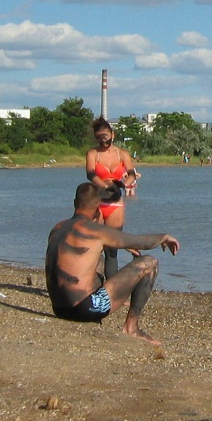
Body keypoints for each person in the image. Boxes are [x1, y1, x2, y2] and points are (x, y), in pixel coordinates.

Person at [45, 183, 179, 346]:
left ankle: (96, 319)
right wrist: (164, 237)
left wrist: (121, 244)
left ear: (75, 203)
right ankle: (132, 327)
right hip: (85, 310)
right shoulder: (96, 230)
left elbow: (84, 249)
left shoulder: (57, 228)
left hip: (59, 309)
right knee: (150, 263)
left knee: (99, 261)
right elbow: (143, 242)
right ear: (97, 207)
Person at [85, 117, 139, 277]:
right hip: (97, 201)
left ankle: (110, 290)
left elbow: (131, 174)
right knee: (93, 244)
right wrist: (104, 185)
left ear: (112, 134)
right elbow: (90, 174)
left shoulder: (122, 154)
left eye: (106, 135)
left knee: (111, 249)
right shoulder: (93, 153)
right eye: (99, 137)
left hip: (115, 203)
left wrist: (124, 184)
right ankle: (88, 283)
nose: (103, 140)